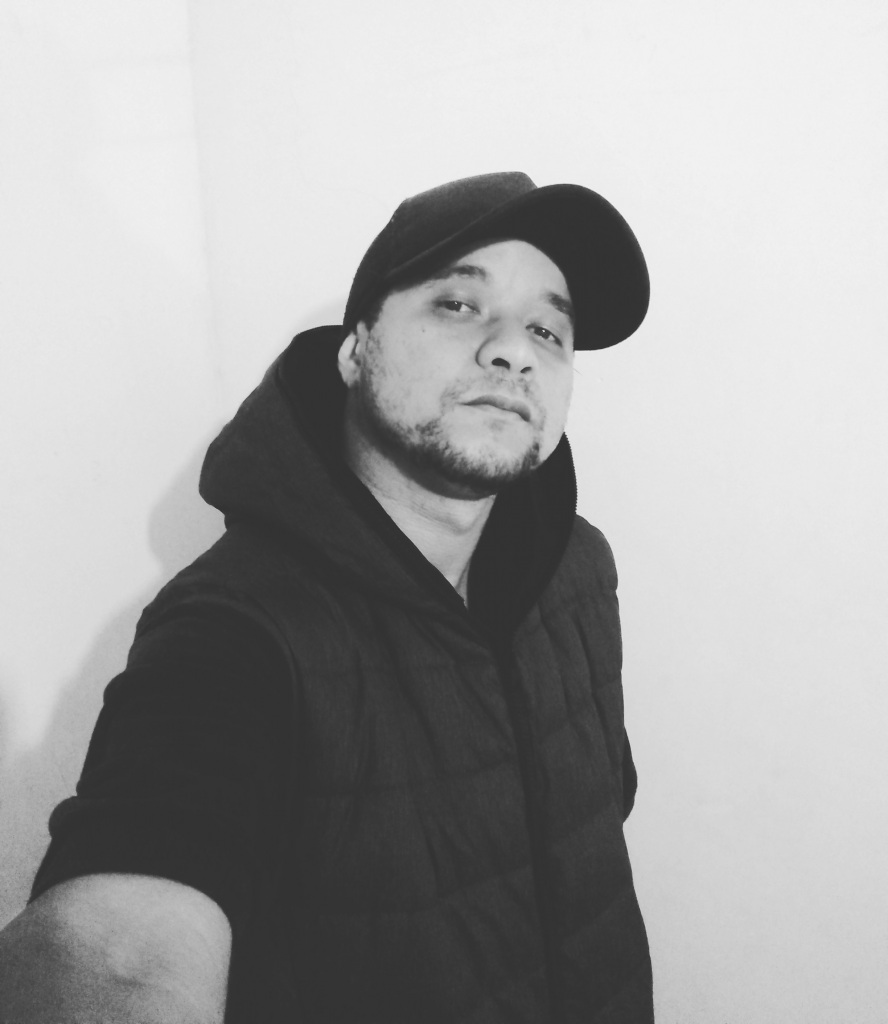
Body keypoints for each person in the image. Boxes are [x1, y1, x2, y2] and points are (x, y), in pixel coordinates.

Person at [0, 171, 653, 1022]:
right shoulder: (235, 632)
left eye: (547, 330)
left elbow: (591, 825)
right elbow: (121, 948)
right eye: (459, 304)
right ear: (354, 351)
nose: (514, 350)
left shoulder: (579, 569)